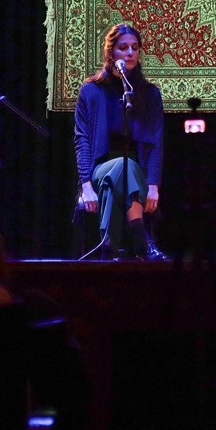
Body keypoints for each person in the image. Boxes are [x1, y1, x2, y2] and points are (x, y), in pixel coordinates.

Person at [75, 24, 166, 260]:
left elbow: (155, 142)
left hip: (138, 175)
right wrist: (85, 185)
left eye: (135, 48)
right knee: (121, 167)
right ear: (110, 53)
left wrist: (154, 185)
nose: (130, 53)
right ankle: (143, 242)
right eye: (123, 48)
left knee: (119, 177)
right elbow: (82, 140)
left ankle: (107, 246)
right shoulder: (91, 91)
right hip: (99, 169)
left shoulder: (149, 94)